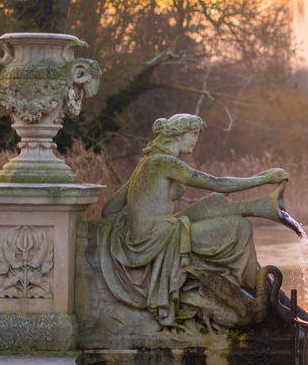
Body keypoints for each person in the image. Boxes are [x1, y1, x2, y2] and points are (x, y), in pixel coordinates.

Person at [96, 114, 288, 328]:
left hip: (154, 232)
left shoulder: (147, 162)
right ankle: (253, 287)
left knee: (214, 202)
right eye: (194, 134)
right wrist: (263, 178)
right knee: (239, 228)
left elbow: (109, 209)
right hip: (157, 240)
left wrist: (130, 226)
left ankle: (257, 206)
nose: (196, 140)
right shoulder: (163, 162)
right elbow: (217, 183)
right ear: (178, 134)